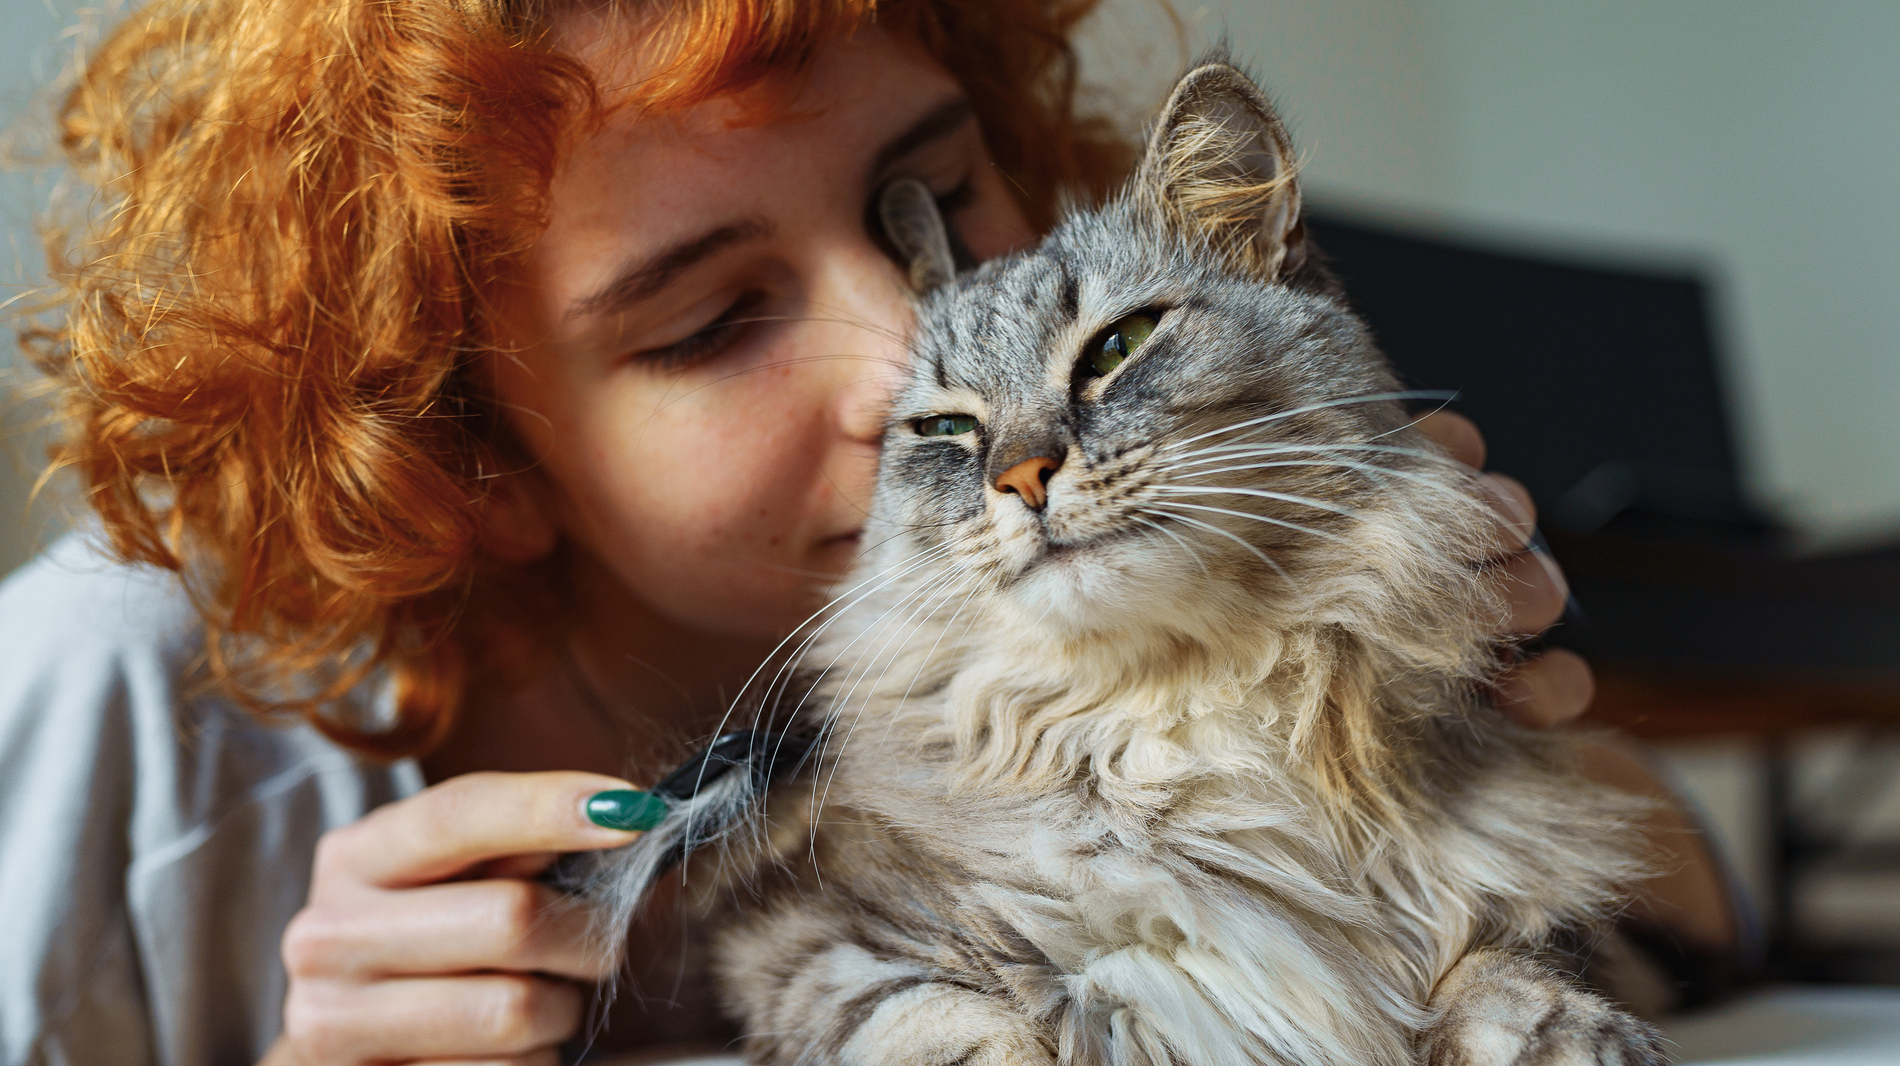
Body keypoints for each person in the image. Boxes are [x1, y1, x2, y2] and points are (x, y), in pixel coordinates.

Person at [0, 1, 1743, 1063]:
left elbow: (1700, 912)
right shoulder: (116, 696)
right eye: (712, 321)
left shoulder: (1109, 610)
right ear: (471, 462)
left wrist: (1472, 739)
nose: (915, 358)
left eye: (935, 194)